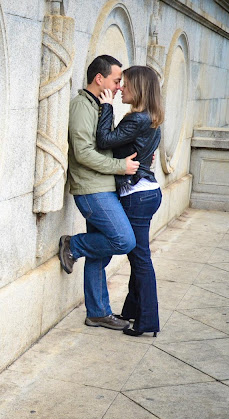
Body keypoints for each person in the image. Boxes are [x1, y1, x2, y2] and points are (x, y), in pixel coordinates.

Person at [58, 55, 140, 330]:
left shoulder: (99, 106)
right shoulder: (82, 106)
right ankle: (73, 245)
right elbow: (82, 153)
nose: (119, 87)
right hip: (92, 190)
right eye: (116, 81)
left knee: (99, 255)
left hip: (103, 187)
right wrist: (120, 167)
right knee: (124, 240)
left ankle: (97, 312)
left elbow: (106, 144)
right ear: (99, 79)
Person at [95, 65, 164, 337]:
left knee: (140, 259)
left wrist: (106, 108)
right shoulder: (151, 118)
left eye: (126, 84)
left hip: (137, 196)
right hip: (148, 192)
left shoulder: (137, 119)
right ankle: (134, 311)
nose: (121, 88)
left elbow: (104, 140)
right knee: (139, 257)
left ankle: (147, 322)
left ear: (140, 88)